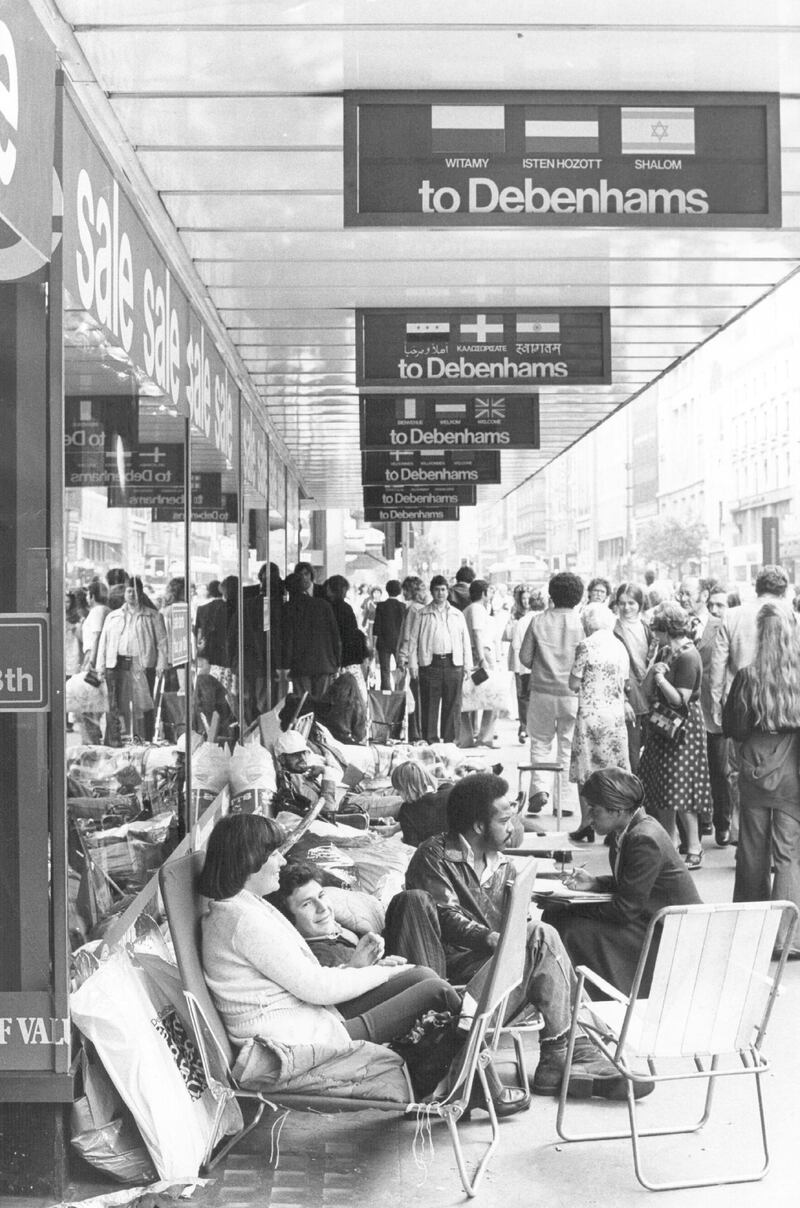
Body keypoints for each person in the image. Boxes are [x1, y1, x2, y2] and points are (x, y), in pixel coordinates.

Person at [200, 814, 526, 1113]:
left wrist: (380, 971)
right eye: (273, 854)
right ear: (249, 859)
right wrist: (375, 972)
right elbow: (316, 987)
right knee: (438, 991)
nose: (281, 860)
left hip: (310, 1017)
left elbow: (307, 981)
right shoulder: (242, 920)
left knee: (422, 974)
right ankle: (477, 1086)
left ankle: (464, 1082)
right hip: (298, 1039)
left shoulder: (245, 908)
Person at [404, 773, 654, 1100]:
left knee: (543, 937)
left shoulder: (506, 867)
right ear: (479, 826)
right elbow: (444, 916)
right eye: (505, 819)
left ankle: (567, 1053)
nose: (514, 827)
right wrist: (494, 939)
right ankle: (569, 1052)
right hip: (459, 991)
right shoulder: (434, 855)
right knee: (541, 934)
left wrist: (513, 935)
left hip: (498, 982)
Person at [547, 769, 701, 995]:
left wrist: (571, 904)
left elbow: (625, 909)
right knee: (557, 918)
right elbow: (633, 884)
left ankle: (594, 997)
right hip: (652, 918)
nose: (589, 817)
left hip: (669, 932)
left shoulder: (643, 838)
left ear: (617, 810)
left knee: (570, 928)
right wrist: (595, 883)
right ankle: (574, 995)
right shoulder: (632, 829)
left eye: (594, 809)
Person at [722, 602, 800, 957]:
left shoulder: (747, 675)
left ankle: (751, 933)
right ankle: (787, 939)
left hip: (754, 768)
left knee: (753, 851)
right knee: (788, 855)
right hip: (791, 772)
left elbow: (732, 727)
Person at [638, 601, 713, 869]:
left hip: (682, 727)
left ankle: (694, 846)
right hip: (664, 725)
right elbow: (646, 690)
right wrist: (655, 671)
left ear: (666, 628)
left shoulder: (688, 656)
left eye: (656, 629)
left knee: (682, 787)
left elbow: (680, 699)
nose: (654, 634)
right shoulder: (667, 650)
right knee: (663, 787)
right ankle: (669, 844)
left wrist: (660, 678)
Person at [519, 572, 585, 818]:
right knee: (568, 746)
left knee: (541, 742)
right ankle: (565, 802)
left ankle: (539, 788)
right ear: (578, 597)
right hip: (572, 694)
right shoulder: (582, 623)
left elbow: (525, 658)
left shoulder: (538, 621)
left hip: (542, 692)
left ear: (551, 595)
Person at [567, 602, 631, 843]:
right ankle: (615, 826)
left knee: (587, 770)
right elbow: (624, 681)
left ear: (587, 623)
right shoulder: (619, 646)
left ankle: (587, 823)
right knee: (614, 772)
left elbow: (573, 683)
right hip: (614, 717)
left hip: (590, 716)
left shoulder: (586, 646)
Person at [678, 576, 732, 847]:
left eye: (688, 594)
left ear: (703, 595)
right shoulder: (677, 625)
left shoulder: (719, 625)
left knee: (719, 771)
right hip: (685, 712)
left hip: (714, 713)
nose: (683, 598)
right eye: (681, 594)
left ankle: (723, 823)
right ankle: (695, 831)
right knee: (688, 773)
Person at [709, 564, 792, 731]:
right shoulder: (793, 617)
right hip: (783, 702)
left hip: (740, 703)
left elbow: (718, 664)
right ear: (783, 592)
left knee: (741, 754)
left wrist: (716, 702)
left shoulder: (732, 616)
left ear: (756, 588)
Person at [96, 576, 168, 743]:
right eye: (129, 591)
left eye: (136, 591)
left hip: (142, 665)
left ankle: (144, 741)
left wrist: (160, 664)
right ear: (124, 594)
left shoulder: (153, 616)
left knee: (143, 707)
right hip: (116, 664)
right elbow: (103, 643)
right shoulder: (113, 616)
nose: (132, 594)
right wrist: (100, 667)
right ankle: (114, 743)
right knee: (114, 707)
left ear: (141, 593)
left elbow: (162, 644)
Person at [408, 575, 472, 745]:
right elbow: (413, 641)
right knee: (429, 704)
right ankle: (431, 742)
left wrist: (467, 666)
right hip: (430, 665)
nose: (440, 593)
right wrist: (413, 664)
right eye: (436, 590)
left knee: (453, 705)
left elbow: (466, 640)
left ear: (447, 591)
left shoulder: (457, 614)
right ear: (432, 592)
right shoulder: (422, 614)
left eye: (443, 589)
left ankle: (450, 741)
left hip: (453, 664)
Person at [282, 563, 342, 698]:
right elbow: (335, 636)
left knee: (304, 705)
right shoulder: (323, 604)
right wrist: (337, 662)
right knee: (322, 702)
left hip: (300, 666)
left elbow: (288, 639)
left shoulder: (288, 608)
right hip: (324, 663)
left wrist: (286, 665)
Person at [613, 582, 655, 773]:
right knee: (631, 752)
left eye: (631, 603)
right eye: (622, 603)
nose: (626, 608)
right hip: (628, 697)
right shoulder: (612, 629)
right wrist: (623, 699)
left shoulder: (647, 628)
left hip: (649, 695)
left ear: (640, 604)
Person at [459, 578, 501, 750]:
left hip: (473, 654)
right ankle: (484, 737)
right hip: (482, 653)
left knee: (468, 695)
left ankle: (467, 737)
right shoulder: (477, 609)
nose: (491, 595)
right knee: (493, 695)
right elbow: (477, 633)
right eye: (489, 591)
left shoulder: (468, 609)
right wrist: (482, 658)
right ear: (483, 593)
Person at [324, 575, 368, 701]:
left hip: (334, 660)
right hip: (350, 659)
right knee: (357, 692)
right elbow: (351, 633)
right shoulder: (346, 608)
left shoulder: (327, 608)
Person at [391, 761, 453, 848]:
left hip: (436, 854)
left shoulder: (407, 810)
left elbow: (412, 846)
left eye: (399, 790)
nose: (399, 794)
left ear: (406, 789)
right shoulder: (449, 789)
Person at [397, 575, 427, 741]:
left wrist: (402, 656)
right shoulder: (423, 608)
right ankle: (417, 731)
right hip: (420, 659)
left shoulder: (413, 610)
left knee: (412, 698)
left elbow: (408, 636)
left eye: (405, 590)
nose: (403, 593)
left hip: (411, 660)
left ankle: (414, 732)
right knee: (418, 697)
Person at [504, 584, 534, 744]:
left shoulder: (536, 615)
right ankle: (523, 727)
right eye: (523, 598)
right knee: (522, 693)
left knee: (531, 694)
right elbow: (507, 634)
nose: (526, 602)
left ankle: (528, 726)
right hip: (518, 658)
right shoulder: (514, 615)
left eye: (528, 599)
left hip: (533, 660)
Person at [372, 579, 405, 690]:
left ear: (386, 590)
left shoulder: (381, 606)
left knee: (384, 670)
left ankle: (386, 694)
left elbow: (376, 627)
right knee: (400, 669)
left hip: (383, 643)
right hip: (399, 643)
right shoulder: (403, 607)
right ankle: (399, 693)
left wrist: (374, 646)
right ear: (400, 591)